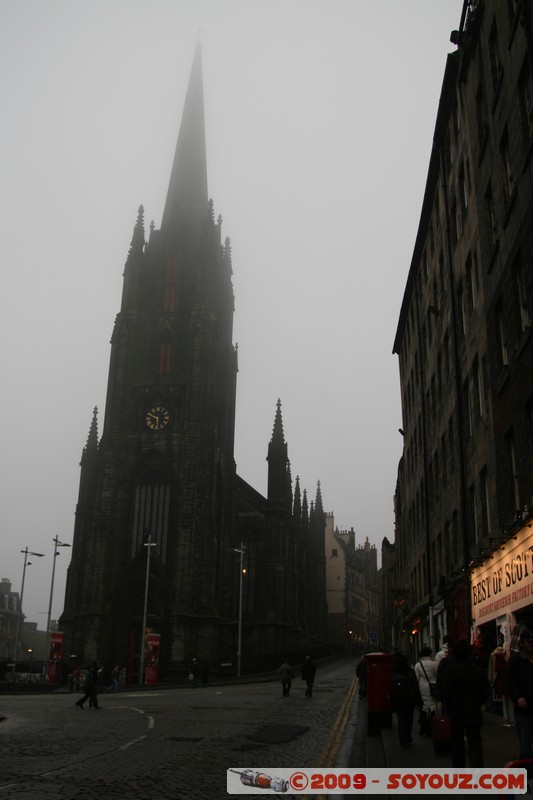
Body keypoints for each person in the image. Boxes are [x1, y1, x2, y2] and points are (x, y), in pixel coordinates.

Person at [441, 638, 490, 767]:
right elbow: (485, 692)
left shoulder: (450, 670)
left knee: (457, 744)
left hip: (456, 711)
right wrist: (477, 702)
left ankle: (459, 773)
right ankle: (477, 771)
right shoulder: (477, 670)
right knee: (475, 742)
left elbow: (446, 691)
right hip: (473, 710)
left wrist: (451, 704)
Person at [506, 628, 533, 759]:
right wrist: (518, 697)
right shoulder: (515, 661)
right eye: (529, 643)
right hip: (524, 710)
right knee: (526, 744)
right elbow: (510, 682)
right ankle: (527, 773)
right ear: (521, 644)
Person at [389, 653, 422, 749]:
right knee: (409, 719)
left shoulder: (393, 672)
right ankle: (408, 737)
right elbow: (415, 686)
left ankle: (402, 740)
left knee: (401, 719)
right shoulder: (410, 672)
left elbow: (390, 687)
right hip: (409, 699)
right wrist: (419, 700)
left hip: (398, 699)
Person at [414, 646, 438, 736]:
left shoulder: (418, 665)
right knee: (432, 708)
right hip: (433, 687)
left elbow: (416, 678)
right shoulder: (434, 664)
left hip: (422, 687)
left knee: (423, 708)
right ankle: (431, 728)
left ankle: (423, 728)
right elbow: (437, 675)